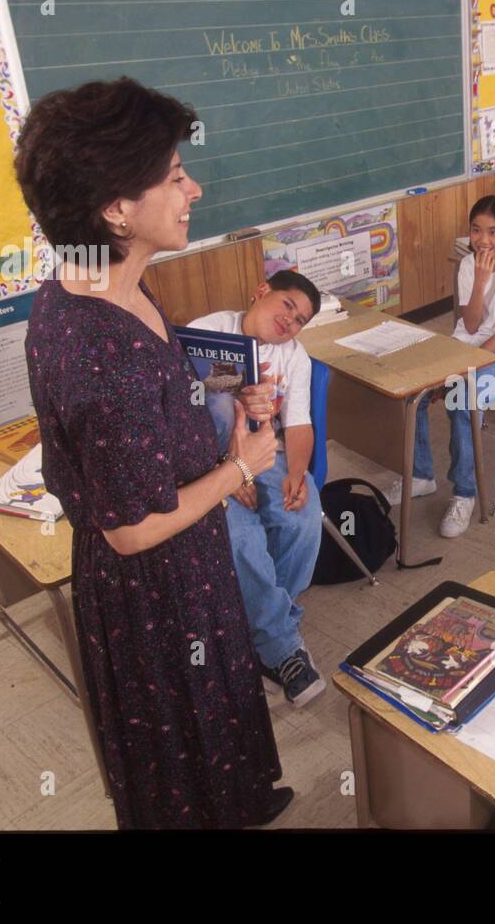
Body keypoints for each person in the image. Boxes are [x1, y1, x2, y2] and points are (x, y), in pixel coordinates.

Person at [18, 77, 292, 828]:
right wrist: (241, 469)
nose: (193, 188)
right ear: (115, 206)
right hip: (153, 588)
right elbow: (131, 528)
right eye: (174, 176)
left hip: (191, 558)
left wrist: (228, 417)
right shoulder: (95, 347)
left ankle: (241, 799)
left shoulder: (105, 284)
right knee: (181, 738)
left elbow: (157, 405)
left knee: (219, 709)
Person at [187, 269, 326, 707]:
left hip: (264, 454)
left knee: (302, 517)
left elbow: (300, 425)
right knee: (240, 535)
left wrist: (298, 473)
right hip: (203, 460)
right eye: (287, 305)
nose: (290, 321)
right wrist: (232, 471)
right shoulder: (205, 334)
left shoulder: (295, 357)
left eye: (301, 319)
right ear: (261, 291)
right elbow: (194, 419)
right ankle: (283, 648)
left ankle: (261, 629)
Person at [387, 195, 495, 537]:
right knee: (411, 389)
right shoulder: (470, 265)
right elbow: (469, 325)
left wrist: (460, 372)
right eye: (476, 230)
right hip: (463, 345)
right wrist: (481, 282)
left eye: (494, 232)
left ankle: (465, 493)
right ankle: (421, 475)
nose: (484, 240)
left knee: (462, 399)